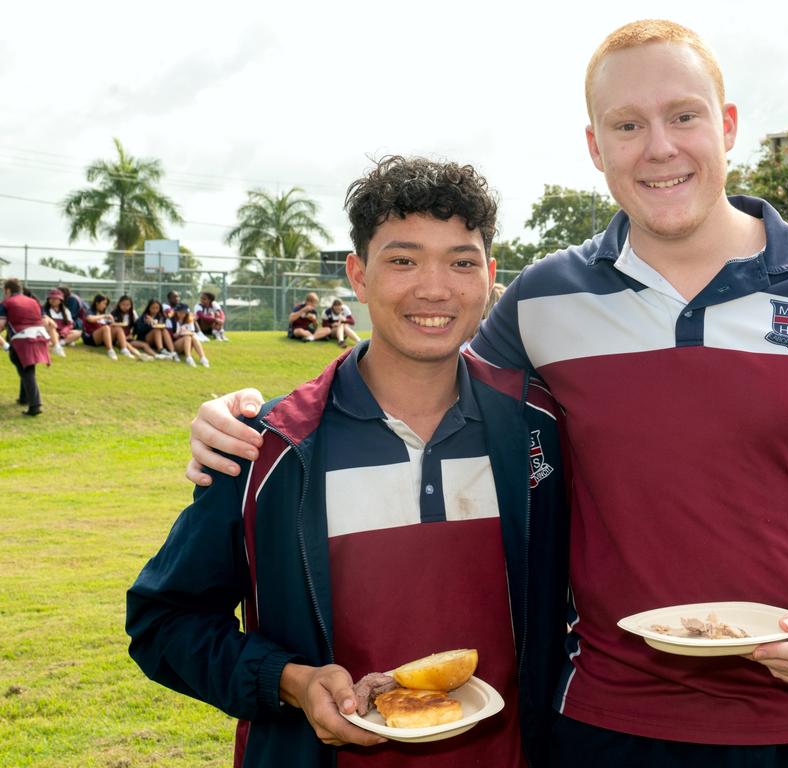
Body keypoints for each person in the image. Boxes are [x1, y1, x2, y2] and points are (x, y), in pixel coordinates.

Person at [185, 21, 788, 766]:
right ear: (595, 146)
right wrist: (250, 414)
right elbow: (419, 364)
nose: (659, 147)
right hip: (609, 719)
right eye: (626, 125)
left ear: (726, 125)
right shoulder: (543, 299)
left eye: (682, 116)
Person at [126, 157, 569, 768]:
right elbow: (163, 621)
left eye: (461, 261)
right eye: (403, 259)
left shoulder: (539, 430)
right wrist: (291, 681)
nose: (435, 287)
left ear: (491, 277)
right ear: (357, 275)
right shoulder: (270, 446)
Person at [1, 278, 50, 415]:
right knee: (26, 366)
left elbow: (1, 324)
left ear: (7, 290)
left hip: (21, 339)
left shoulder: (6, 303)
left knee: (26, 370)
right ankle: (24, 398)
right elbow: (45, 321)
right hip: (39, 336)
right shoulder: (34, 301)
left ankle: (35, 405)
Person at [83, 294, 130, 361]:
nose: (105, 306)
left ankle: (124, 349)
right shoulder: (90, 311)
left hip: (101, 338)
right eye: (104, 303)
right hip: (90, 338)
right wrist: (104, 316)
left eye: (106, 304)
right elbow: (90, 319)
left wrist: (113, 323)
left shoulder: (101, 313)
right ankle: (110, 351)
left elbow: (109, 324)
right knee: (106, 328)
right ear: (97, 303)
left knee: (118, 328)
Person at [111, 295, 157, 361]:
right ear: (119, 304)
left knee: (144, 345)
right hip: (117, 339)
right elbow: (111, 327)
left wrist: (132, 334)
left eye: (128, 305)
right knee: (126, 344)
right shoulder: (114, 313)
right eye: (123, 304)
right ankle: (139, 355)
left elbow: (136, 326)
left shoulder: (132, 313)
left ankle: (156, 355)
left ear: (131, 305)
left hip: (128, 337)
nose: (125, 307)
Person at [42, 289, 78, 355]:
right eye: (51, 298)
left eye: (56, 298)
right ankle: (60, 342)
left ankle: (60, 342)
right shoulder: (44, 310)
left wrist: (64, 332)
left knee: (77, 333)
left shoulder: (66, 310)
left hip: (63, 334)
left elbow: (70, 324)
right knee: (54, 334)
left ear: (60, 300)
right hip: (51, 333)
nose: (53, 300)